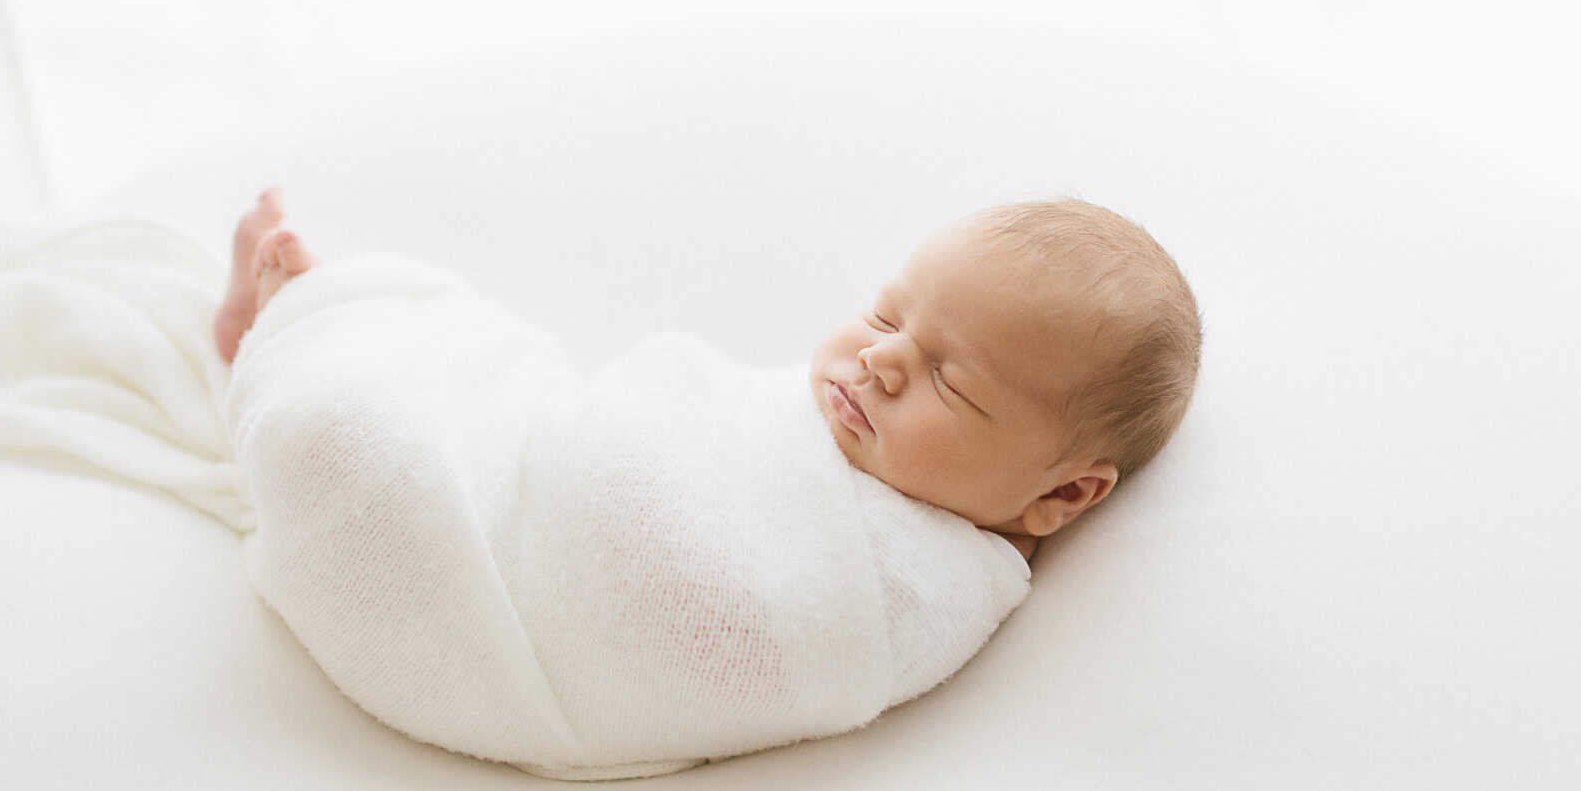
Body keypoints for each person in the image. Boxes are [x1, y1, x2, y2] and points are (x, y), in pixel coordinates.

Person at [214, 187, 1202, 564]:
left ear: (1060, 494)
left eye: (951, 382)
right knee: (486, 372)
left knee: (359, 453)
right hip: (564, 455)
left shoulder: (920, 577)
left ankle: (296, 341)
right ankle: (321, 326)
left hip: (550, 551)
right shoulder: (821, 431)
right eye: (886, 315)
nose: (880, 361)